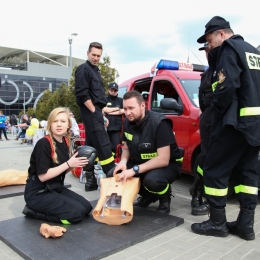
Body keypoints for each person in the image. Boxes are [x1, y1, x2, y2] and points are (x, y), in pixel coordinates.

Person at [191, 16, 260, 240]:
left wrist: (217, 112)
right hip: (254, 126)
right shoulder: (253, 52)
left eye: (210, 41)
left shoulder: (229, 49)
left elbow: (226, 86)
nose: (209, 47)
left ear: (222, 34)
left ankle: (217, 223)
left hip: (234, 124)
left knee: (213, 169)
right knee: (246, 173)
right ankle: (246, 225)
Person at [107, 90, 182, 214]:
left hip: (167, 165)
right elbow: (127, 147)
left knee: (152, 180)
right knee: (113, 173)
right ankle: (148, 196)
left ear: (143, 106)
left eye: (131, 108)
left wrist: (134, 170)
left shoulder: (159, 123)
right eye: (125, 109)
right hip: (140, 162)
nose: (128, 113)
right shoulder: (127, 122)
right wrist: (123, 162)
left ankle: (165, 197)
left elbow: (163, 159)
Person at [22, 107, 92, 224]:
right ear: (50, 124)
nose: (59, 124)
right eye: (55, 121)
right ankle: (32, 211)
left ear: (68, 125)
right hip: (38, 193)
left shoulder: (65, 141)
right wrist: (69, 163)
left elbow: (61, 170)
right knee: (75, 215)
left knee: (86, 207)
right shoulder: (43, 143)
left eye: (63, 121)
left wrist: (75, 164)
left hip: (55, 189)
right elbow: (43, 177)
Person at [75, 41, 115, 192]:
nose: (96, 58)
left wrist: (101, 114)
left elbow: (97, 97)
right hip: (91, 111)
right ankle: (113, 183)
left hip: (96, 111)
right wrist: (94, 112)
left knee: (90, 148)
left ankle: (90, 181)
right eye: (94, 55)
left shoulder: (95, 70)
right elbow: (82, 94)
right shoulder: (83, 69)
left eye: (99, 56)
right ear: (87, 53)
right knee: (105, 147)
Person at [189, 42, 221, 216]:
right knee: (207, 158)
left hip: (223, 119)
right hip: (209, 119)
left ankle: (201, 191)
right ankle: (198, 192)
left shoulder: (225, 68)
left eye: (210, 50)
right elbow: (202, 100)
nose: (208, 53)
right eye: (206, 51)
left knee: (217, 160)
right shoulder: (206, 74)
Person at [103, 82, 124, 155]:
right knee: (106, 146)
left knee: (115, 146)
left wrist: (110, 112)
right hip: (106, 127)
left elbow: (123, 110)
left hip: (116, 128)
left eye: (115, 90)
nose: (113, 92)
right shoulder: (104, 99)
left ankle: (114, 160)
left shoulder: (121, 100)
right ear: (109, 90)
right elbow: (104, 109)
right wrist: (118, 108)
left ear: (117, 91)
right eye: (111, 90)